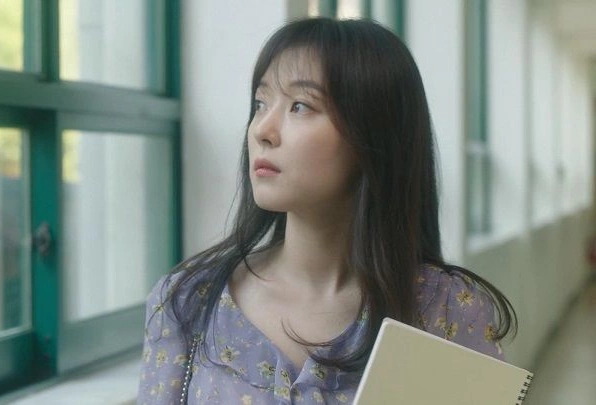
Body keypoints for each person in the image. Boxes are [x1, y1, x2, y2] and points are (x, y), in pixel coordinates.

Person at [137, 17, 516, 404]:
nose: (262, 130)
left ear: (373, 135)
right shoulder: (187, 300)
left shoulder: (447, 309)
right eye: (260, 103)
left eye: (300, 106)